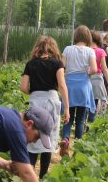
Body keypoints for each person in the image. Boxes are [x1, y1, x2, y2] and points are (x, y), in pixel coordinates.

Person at [20, 36, 70, 179]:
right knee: (49, 137)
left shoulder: (31, 64)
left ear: (38, 48)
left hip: (35, 102)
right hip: (51, 101)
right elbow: (62, 85)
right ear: (53, 48)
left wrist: (34, 92)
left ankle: (28, 176)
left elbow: (23, 87)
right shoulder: (57, 63)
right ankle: (42, 176)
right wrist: (67, 108)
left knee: (33, 139)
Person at [60, 25, 97, 156]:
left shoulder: (67, 49)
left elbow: (61, 66)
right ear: (88, 37)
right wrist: (85, 72)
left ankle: (65, 139)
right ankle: (78, 147)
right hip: (83, 87)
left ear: (76, 36)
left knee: (67, 117)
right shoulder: (90, 51)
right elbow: (94, 69)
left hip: (69, 86)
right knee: (80, 120)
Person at [88, 30, 108, 122]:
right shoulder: (101, 51)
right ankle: (92, 124)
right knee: (96, 101)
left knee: (87, 103)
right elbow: (104, 68)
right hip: (97, 79)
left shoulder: (86, 51)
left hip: (87, 78)